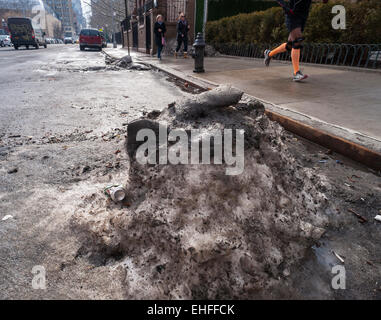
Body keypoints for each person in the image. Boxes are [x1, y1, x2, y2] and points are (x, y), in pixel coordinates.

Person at [264, 0, 321, 82]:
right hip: (292, 16)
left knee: (289, 45)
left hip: (303, 16)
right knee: (297, 41)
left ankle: (269, 54)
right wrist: (287, 8)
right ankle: (296, 73)